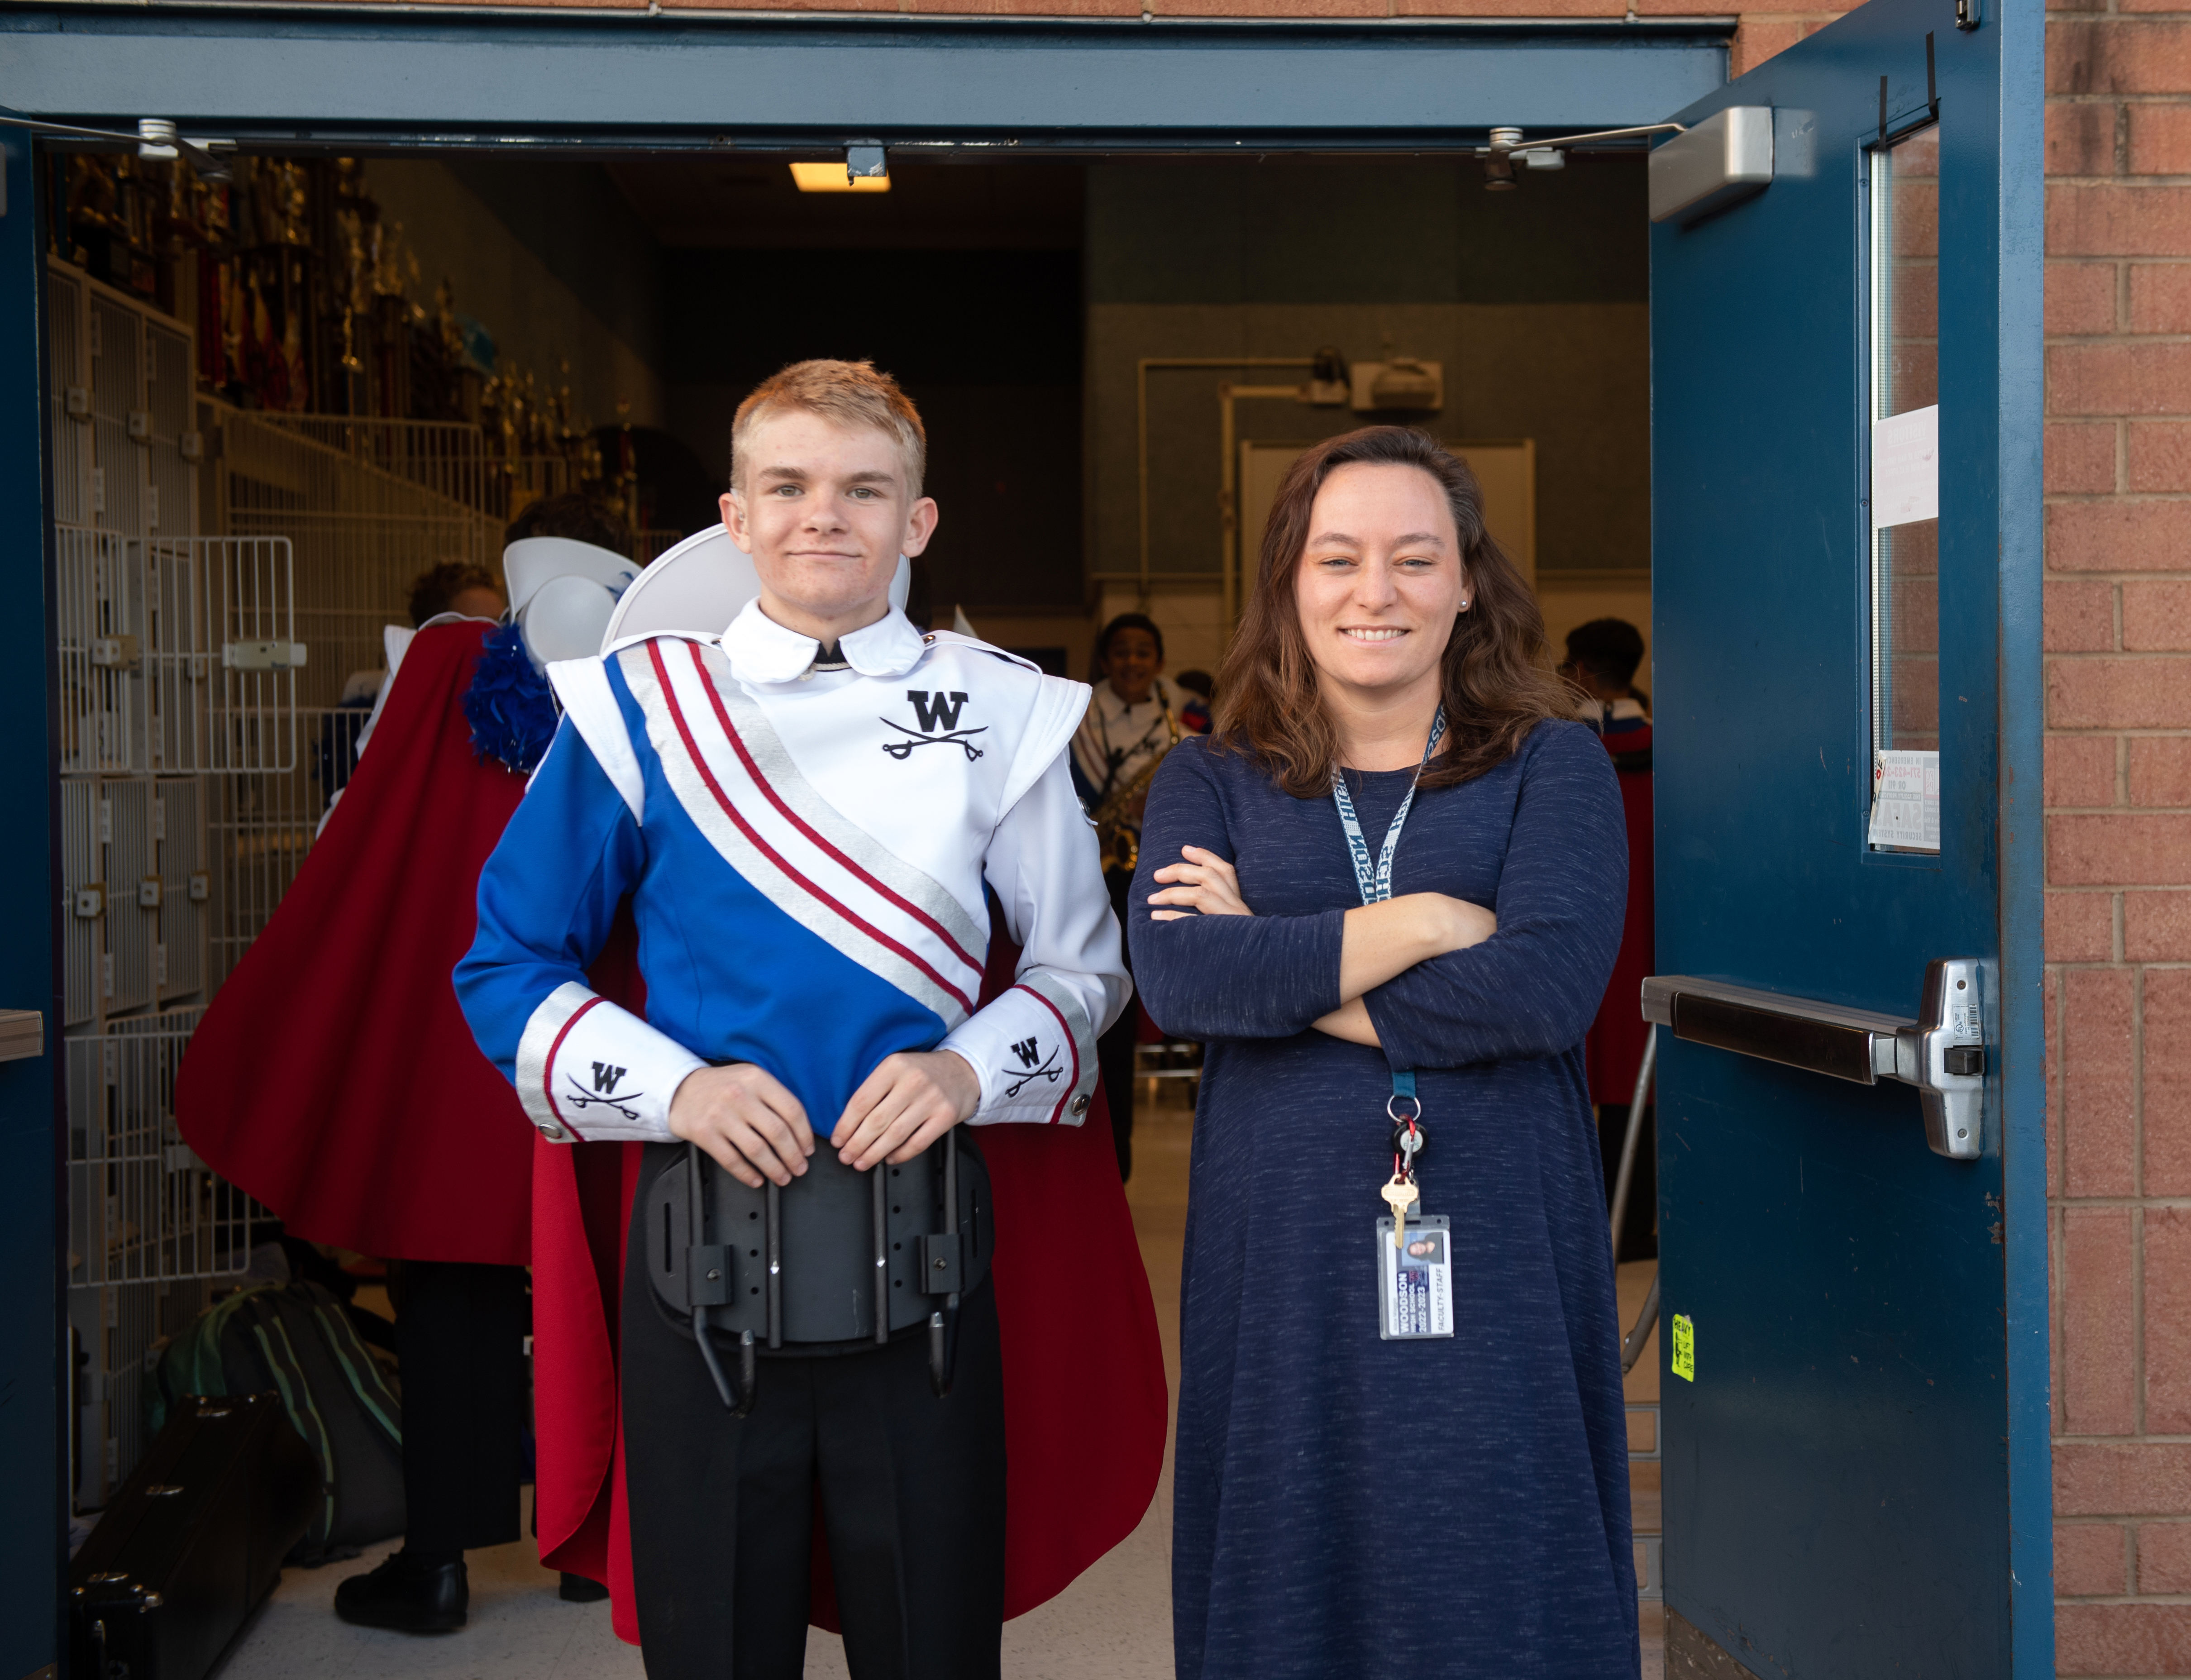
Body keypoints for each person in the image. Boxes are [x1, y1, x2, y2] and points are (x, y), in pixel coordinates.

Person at [454, 360, 1164, 1676]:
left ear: (918, 520)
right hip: (700, 1236)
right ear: (732, 514)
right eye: (785, 485)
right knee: (711, 1638)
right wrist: (682, 1092)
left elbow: (1082, 969)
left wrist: (961, 1071)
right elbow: (506, 966)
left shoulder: (1001, 708)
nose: (820, 516)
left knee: (929, 1640)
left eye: (861, 489)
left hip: (930, 1240)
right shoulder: (634, 704)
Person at [1128, 425, 1635, 1676]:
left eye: (1416, 558)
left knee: (1496, 1540)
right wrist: (1417, 928)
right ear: (1291, 581)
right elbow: (1182, 976)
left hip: (1501, 1229)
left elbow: (1541, 992)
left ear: (1467, 582)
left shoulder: (1550, 764)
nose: (1375, 591)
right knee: (1294, 1539)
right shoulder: (1212, 777)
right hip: (1283, 1241)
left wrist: (1283, 961)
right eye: (1338, 557)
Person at [176, 500, 633, 1633]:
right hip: (608, 1024)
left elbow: (364, 842)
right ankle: (597, 1551)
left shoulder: (439, 667)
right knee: (615, 1279)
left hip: (460, 1036)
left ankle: (436, 1561)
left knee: (449, 1287)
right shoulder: (660, 672)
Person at [1070, 612, 1192, 1181]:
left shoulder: (1185, 715)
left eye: (1144, 652)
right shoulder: (1078, 714)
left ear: (1159, 661)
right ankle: (1112, 1159)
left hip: (1169, 872)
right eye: (1121, 652)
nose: (1132, 663)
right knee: (1113, 1019)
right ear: (1104, 661)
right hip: (1101, 877)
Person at [1559, 617, 1657, 1260]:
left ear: (1585, 674)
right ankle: (1634, 1223)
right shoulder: (1673, 746)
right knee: (1640, 1079)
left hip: (1583, 935)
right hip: (1653, 936)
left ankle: (1582, 1223)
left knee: (1575, 1075)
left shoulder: (1563, 750)